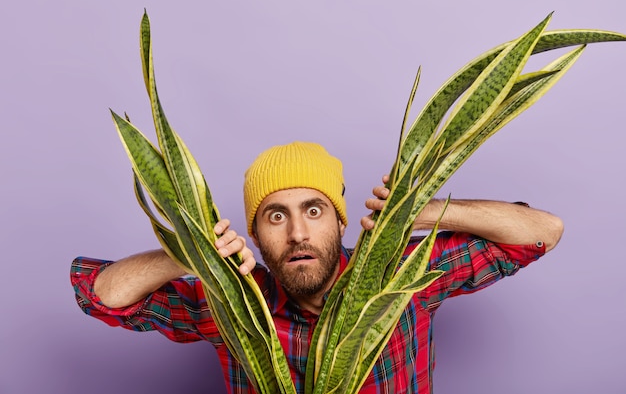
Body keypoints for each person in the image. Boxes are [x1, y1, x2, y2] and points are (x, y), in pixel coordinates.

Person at [71, 141, 563, 394]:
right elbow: (100, 294)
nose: (298, 234)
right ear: (257, 234)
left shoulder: (402, 276)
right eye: (275, 216)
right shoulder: (234, 304)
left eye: (314, 210)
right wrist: (187, 253)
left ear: (339, 221)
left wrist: (430, 210)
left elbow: (542, 231)